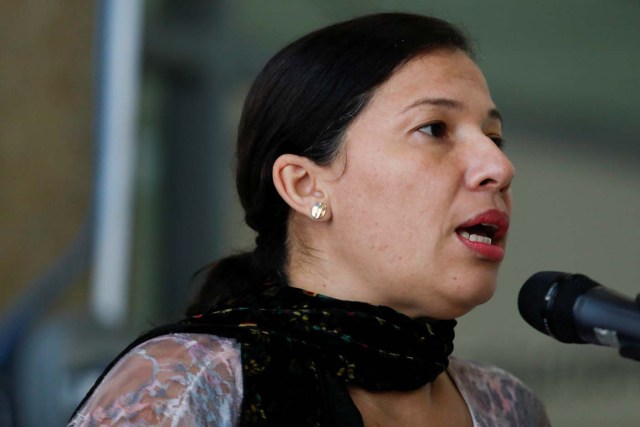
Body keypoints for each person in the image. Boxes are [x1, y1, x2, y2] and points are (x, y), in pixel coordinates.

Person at [70, 12, 551, 426]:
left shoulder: (504, 407)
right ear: (305, 186)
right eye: (434, 129)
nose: (499, 167)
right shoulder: (189, 386)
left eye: (495, 138)